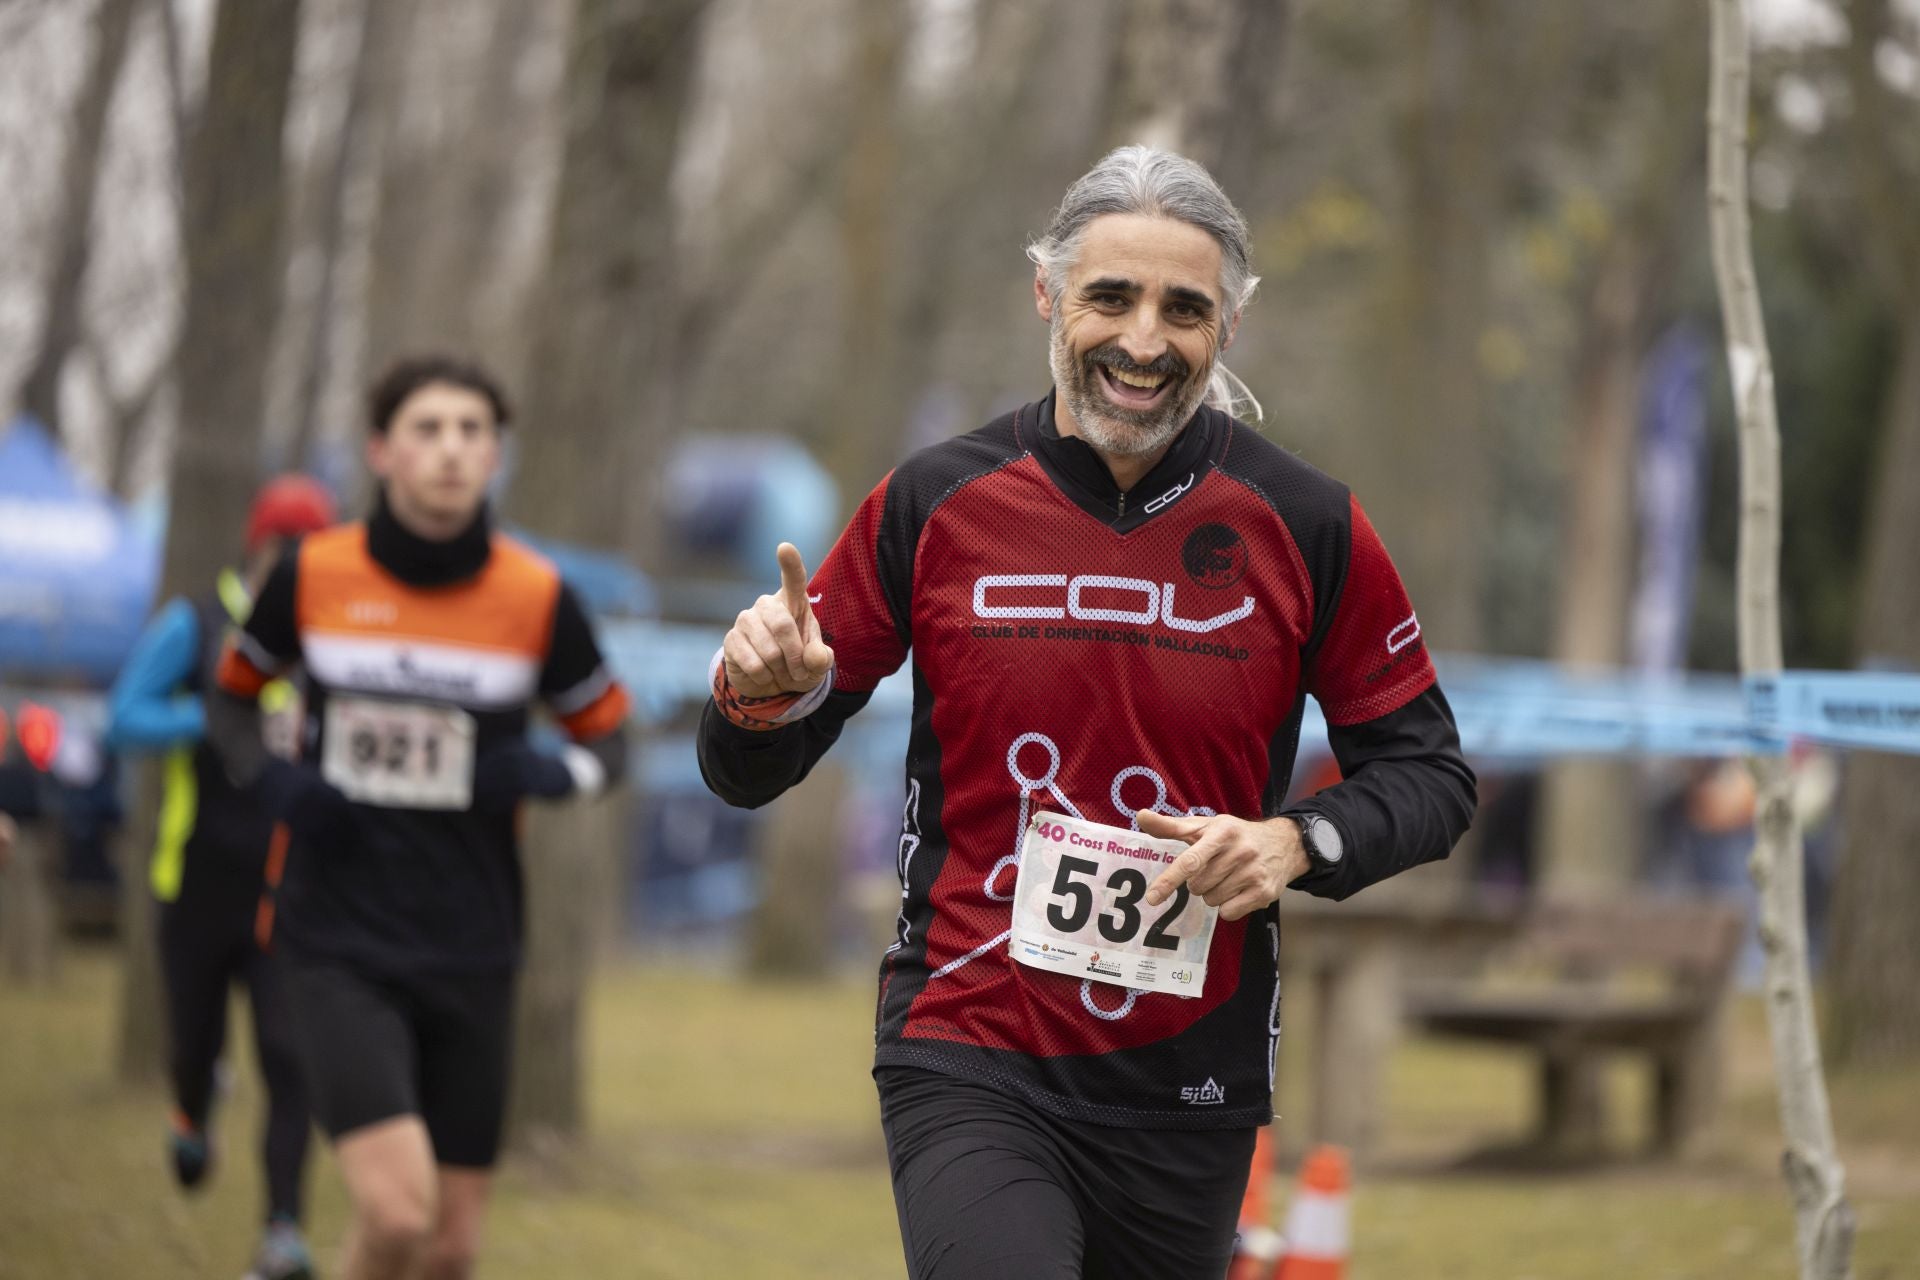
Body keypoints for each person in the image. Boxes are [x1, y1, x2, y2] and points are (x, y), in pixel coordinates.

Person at [699, 147, 1477, 1278]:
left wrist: (1293, 841)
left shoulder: (1306, 523)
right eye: (1110, 296)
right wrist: (758, 697)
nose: (1145, 342)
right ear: (1048, 297)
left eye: (1185, 308)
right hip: (970, 1043)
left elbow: (1431, 776)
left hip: (1189, 1078)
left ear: (1231, 327)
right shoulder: (934, 502)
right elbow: (748, 768)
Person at [208, 355, 632, 1280]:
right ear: (381, 450)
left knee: (449, 1248)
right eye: (427, 429)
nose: (451, 450)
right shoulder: (314, 576)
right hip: (337, 941)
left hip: (474, 944)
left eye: (472, 431)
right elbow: (231, 701)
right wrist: (277, 785)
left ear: (497, 455)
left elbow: (611, 745)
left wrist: (545, 772)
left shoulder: (537, 595)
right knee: (397, 1215)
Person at [108, 473, 336, 1280]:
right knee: (195, 1039)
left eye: (314, 544)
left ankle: (282, 1230)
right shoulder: (198, 623)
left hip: (288, 887)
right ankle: (191, 1111)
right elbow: (123, 715)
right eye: (286, 542)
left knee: (288, 1053)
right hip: (196, 878)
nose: (298, 558)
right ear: (257, 542)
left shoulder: (328, 637)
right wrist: (213, 716)